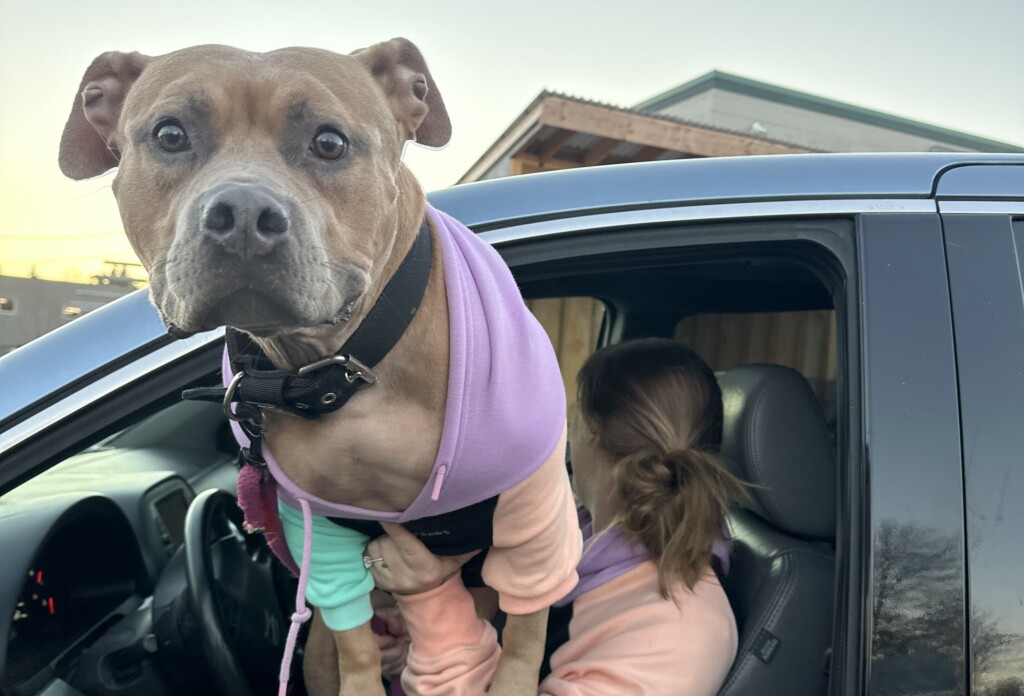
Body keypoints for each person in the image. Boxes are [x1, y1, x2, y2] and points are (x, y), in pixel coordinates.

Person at [366, 338, 747, 695]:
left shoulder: (681, 631)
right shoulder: (585, 546)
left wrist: (430, 603)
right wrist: (413, 648)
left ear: (591, 432)